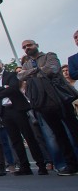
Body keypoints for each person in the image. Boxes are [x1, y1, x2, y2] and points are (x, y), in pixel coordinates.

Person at [18, 39, 78, 176]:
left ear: (37, 45)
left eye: (29, 45)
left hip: (60, 99)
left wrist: (32, 73)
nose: (27, 48)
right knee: (59, 135)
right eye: (24, 47)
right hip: (43, 103)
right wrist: (38, 70)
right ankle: (72, 164)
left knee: (74, 130)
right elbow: (20, 75)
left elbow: (53, 69)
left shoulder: (49, 56)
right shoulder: (26, 64)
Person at [0, 58, 48, 175]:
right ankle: (25, 166)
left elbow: (14, 88)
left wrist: (0, 93)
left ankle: (41, 164)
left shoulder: (12, 75)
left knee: (29, 136)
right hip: (5, 112)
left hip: (17, 109)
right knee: (15, 140)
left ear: (1, 64)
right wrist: (4, 88)